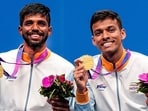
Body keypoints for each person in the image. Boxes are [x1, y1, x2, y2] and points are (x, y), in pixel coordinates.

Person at [0, 3, 74, 111]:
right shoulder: (3, 61)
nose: (35, 28)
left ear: (49, 30)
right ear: (20, 30)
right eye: (29, 23)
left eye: (41, 23)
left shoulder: (65, 69)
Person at [73, 10, 148, 111]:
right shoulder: (87, 70)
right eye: (98, 33)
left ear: (122, 34)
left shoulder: (145, 64)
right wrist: (81, 90)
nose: (105, 36)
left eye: (111, 30)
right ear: (94, 40)